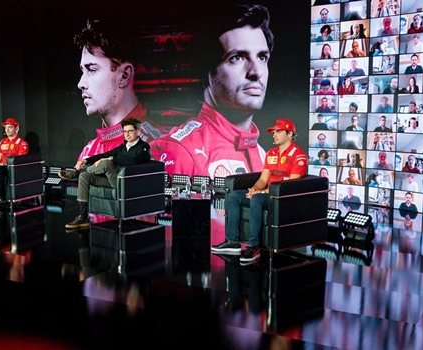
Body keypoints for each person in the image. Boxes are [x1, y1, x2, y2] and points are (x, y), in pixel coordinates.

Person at [151, 4, 273, 177]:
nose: (256, 72)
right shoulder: (178, 151)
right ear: (205, 72)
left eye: (262, 57)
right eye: (236, 58)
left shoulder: (266, 157)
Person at [210, 118, 306, 264]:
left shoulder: (299, 155)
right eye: (273, 132)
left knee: (256, 199)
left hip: (280, 197)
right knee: (234, 196)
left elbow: (291, 185)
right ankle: (232, 241)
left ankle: (254, 246)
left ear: (290, 134)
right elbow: (263, 179)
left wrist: (260, 193)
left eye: (278, 131)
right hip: (265, 193)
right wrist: (253, 189)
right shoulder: (271, 153)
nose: (274, 135)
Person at [69, 19, 161, 163]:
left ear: (124, 75)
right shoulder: (89, 150)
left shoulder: (156, 146)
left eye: (92, 70)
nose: (81, 83)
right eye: (82, 71)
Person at [62, 118, 151, 229]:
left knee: (107, 163)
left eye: (130, 131)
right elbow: (104, 155)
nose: (127, 134)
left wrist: (111, 159)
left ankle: (76, 173)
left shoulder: (144, 148)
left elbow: (132, 161)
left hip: (127, 183)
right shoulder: (123, 147)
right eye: (125, 131)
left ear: (137, 131)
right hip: (114, 180)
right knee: (85, 177)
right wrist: (86, 160)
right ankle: (82, 216)